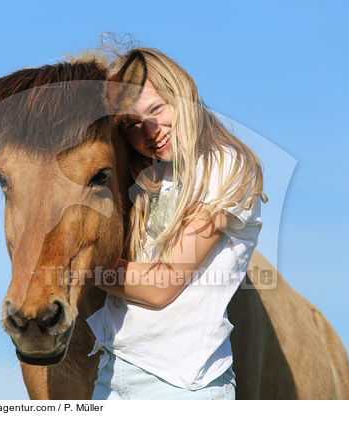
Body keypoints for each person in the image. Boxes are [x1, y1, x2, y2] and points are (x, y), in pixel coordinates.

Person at [85, 47, 267, 400]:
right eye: (132, 124)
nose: (150, 130)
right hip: (112, 376)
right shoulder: (145, 179)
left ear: (182, 93)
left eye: (156, 109)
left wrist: (79, 268)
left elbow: (160, 286)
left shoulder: (224, 167)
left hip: (183, 387)